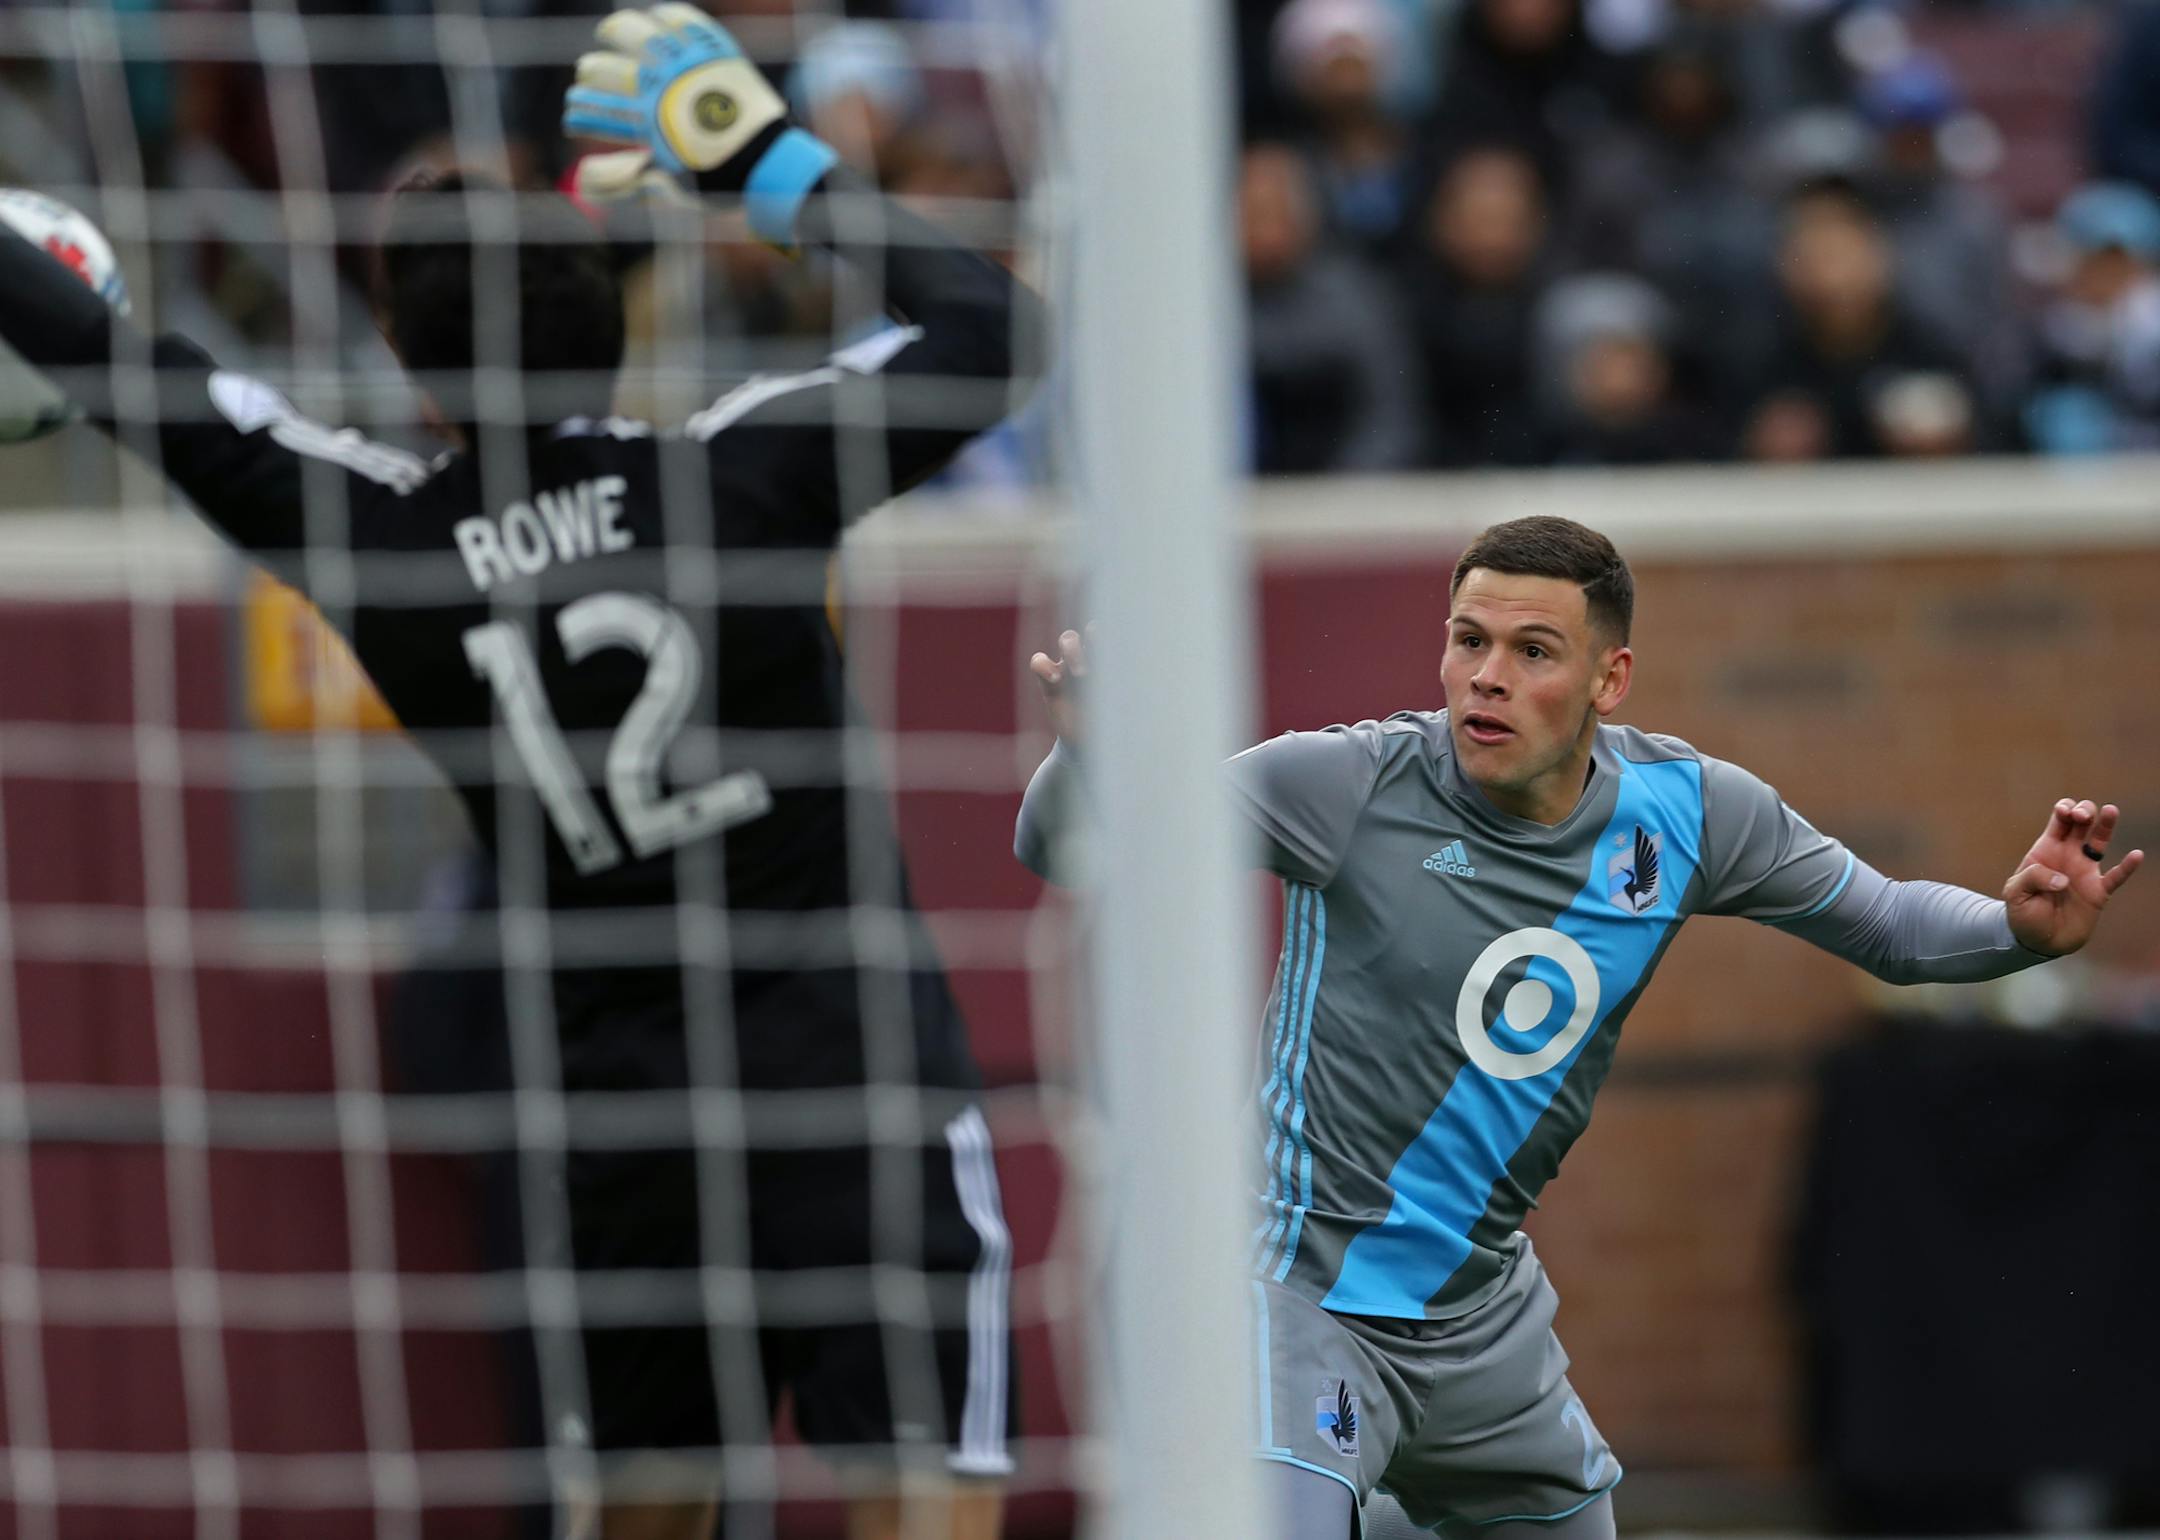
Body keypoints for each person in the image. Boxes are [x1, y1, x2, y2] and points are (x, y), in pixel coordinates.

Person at [0, 7, 1040, 1538]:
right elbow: (992, 333)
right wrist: (769, 161)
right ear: (609, 322)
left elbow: (146, 381)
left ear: (411, 368)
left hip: (620, 1125)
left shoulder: (389, 545)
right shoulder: (737, 474)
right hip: (850, 1084)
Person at [1013, 516, 2141, 1539]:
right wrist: (1085, 757)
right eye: (1468, 640)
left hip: (1478, 1317)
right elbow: (1070, 847)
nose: (1485, 679)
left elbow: (1891, 921)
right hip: (1297, 1289)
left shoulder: (1691, 813)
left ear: (1613, 677)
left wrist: (2015, 930)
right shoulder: (1345, 783)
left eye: (1533, 652)